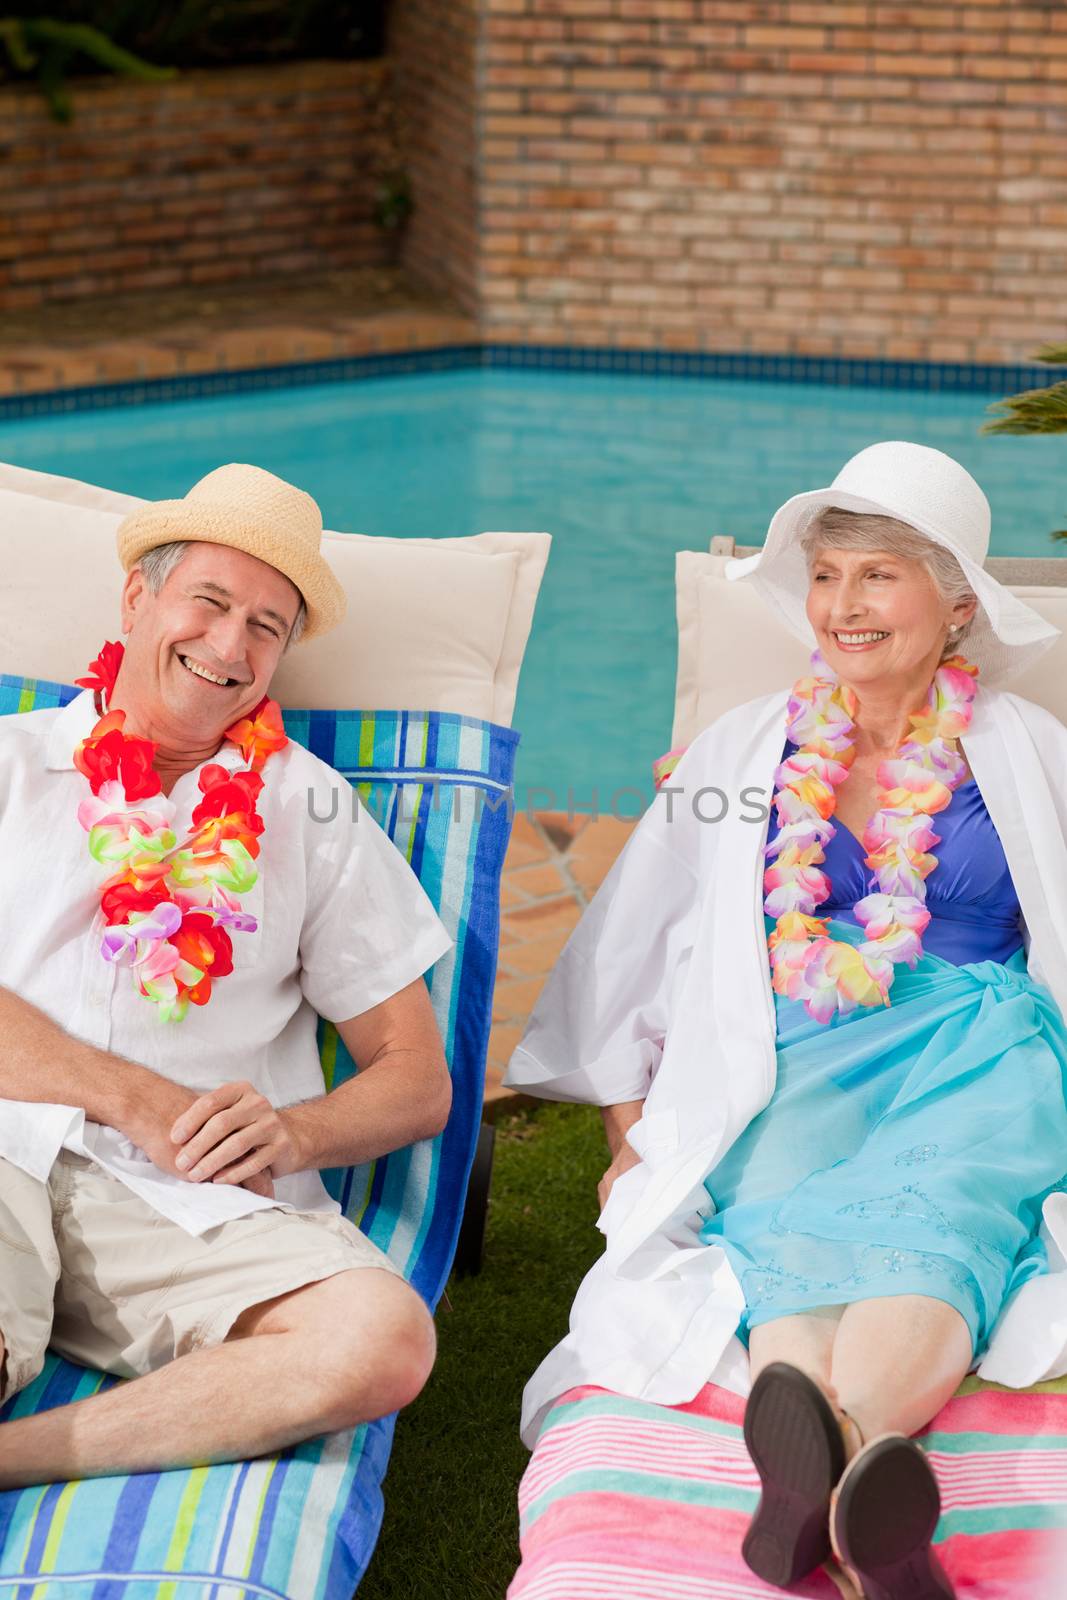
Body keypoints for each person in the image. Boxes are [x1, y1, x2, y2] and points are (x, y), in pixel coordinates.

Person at [505, 441, 1067, 1599]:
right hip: (786, 1047)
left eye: (876, 575)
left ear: (955, 602)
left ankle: (831, 1468)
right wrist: (627, 1135)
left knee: (938, 1219)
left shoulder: (1031, 753)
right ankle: (860, 1510)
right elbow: (630, 950)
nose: (839, 606)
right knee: (782, 1238)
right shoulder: (743, 752)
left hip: (978, 1046)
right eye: (824, 576)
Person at [0, 463, 454, 1489]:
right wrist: (134, 1097)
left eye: (266, 625)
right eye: (207, 601)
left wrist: (296, 1132)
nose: (228, 645)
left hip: (184, 1203)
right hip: (1, 1145)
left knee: (379, 1337)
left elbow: (415, 1076)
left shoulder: (311, 809)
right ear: (136, 597)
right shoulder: (9, 764)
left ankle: (17, 1459)